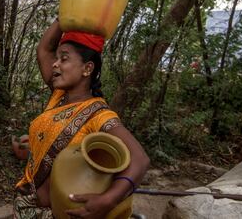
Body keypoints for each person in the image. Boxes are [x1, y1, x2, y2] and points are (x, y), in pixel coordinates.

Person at [13, 18, 150, 219]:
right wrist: (67, 16)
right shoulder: (58, 97)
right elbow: (44, 49)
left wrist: (109, 199)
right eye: (57, 58)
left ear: (87, 68)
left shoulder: (99, 115)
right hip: (27, 207)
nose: (56, 64)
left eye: (65, 58)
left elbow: (140, 159)